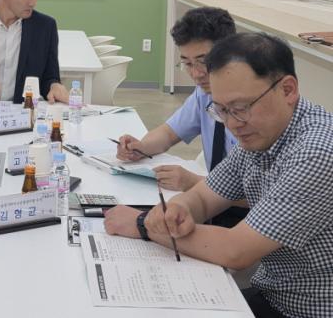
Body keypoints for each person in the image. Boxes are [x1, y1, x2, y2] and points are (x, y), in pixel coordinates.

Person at [104, 33, 333, 318]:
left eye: (241, 108)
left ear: (287, 90)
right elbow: (204, 197)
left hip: (306, 309)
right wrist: (178, 208)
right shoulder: (261, 133)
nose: (233, 124)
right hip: (272, 291)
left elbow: (236, 251)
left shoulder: (317, 152)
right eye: (222, 110)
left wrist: (143, 225)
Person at [116, 7, 239, 196]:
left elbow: (263, 193)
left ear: (230, 53)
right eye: (187, 64)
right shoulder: (203, 94)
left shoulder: (253, 106)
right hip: (213, 198)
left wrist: (194, 182)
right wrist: (141, 148)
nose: (196, 74)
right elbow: (168, 133)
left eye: (203, 61)